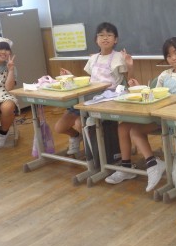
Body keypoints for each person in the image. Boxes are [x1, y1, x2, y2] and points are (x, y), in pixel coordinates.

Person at [106, 37, 176, 192]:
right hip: (158, 116)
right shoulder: (164, 75)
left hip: (174, 118)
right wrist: (139, 86)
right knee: (124, 127)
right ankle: (132, 167)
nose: (173, 58)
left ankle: (153, 164)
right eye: (169, 55)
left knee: (135, 131)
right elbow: (153, 95)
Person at [54, 22, 133, 156]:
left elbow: (130, 82)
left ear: (115, 40)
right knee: (59, 127)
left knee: (80, 123)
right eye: (101, 35)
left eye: (109, 35)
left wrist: (130, 66)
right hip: (89, 96)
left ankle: (97, 156)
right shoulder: (93, 58)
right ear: (96, 40)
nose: (105, 38)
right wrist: (71, 77)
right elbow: (90, 82)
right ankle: (77, 138)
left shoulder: (119, 57)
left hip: (108, 98)